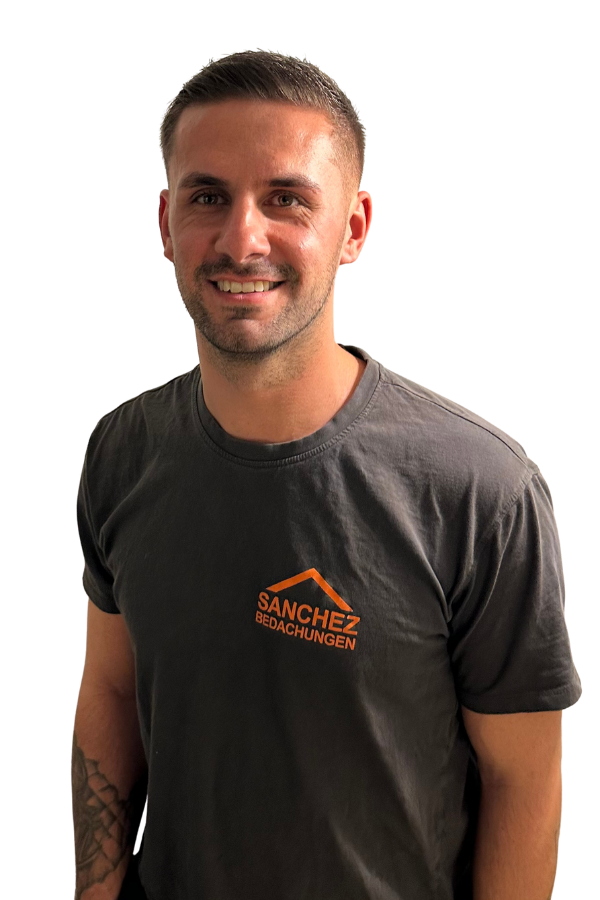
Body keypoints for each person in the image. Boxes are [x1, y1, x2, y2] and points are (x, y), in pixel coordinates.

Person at [73, 49, 583, 900]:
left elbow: (522, 780)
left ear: (354, 227)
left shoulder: (482, 487)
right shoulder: (121, 449)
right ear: (165, 222)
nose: (242, 239)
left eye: (286, 199)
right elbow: (113, 689)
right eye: (208, 197)